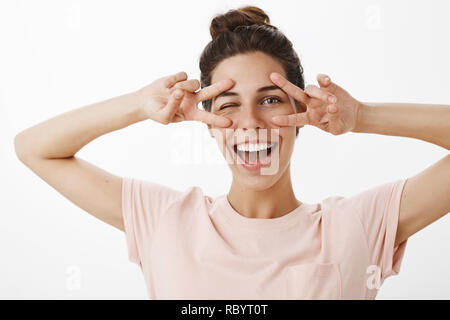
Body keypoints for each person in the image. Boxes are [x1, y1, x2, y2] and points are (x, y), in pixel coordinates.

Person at [14, 6, 450, 300]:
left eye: (270, 99)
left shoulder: (355, 225)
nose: (250, 123)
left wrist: (362, 117)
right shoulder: (166, 218)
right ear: (206, 124)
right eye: (228, 105)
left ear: (303, 111)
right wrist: (137, 105)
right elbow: (34, 149)